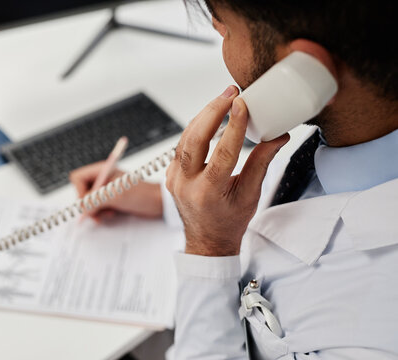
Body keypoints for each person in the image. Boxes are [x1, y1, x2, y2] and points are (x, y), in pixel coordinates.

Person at [70, 0, 398, 358]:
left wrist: (209, 248)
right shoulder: (358, 126)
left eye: (224, 27)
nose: (218, 30)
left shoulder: (372, 336)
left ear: (306, 68)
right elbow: (295, 186)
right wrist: (166, 200)